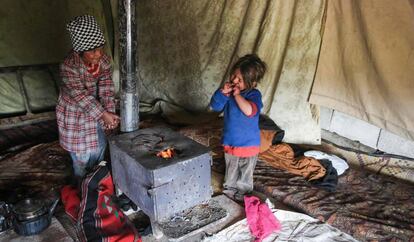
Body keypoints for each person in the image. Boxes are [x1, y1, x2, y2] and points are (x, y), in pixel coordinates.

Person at [56, 15, 120, 184]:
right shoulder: (68, 66)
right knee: (82, 159)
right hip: (76, 118)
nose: (99, 54)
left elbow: (106, 87)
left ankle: (97, 187)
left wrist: (110, 114)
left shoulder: (104, 61)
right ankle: (82, 191)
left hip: (97, 115)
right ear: (80, 51)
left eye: (101, 48)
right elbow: (80, 96)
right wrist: (103, 114)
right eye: (92, 51)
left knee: (99, 151)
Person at [210, 54, 266, 202]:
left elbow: (249, 111)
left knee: (245, 174)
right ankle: (229, 192)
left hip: (249, 144)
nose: (234, 81)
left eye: (240, 80)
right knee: (231, 170)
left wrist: (237, 96)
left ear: (252, 83)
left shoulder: (254, 94)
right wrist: (222, 93)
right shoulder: (228, 94)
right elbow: (215, 107)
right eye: (234, 76)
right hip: (230, 142)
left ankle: (244, 196)